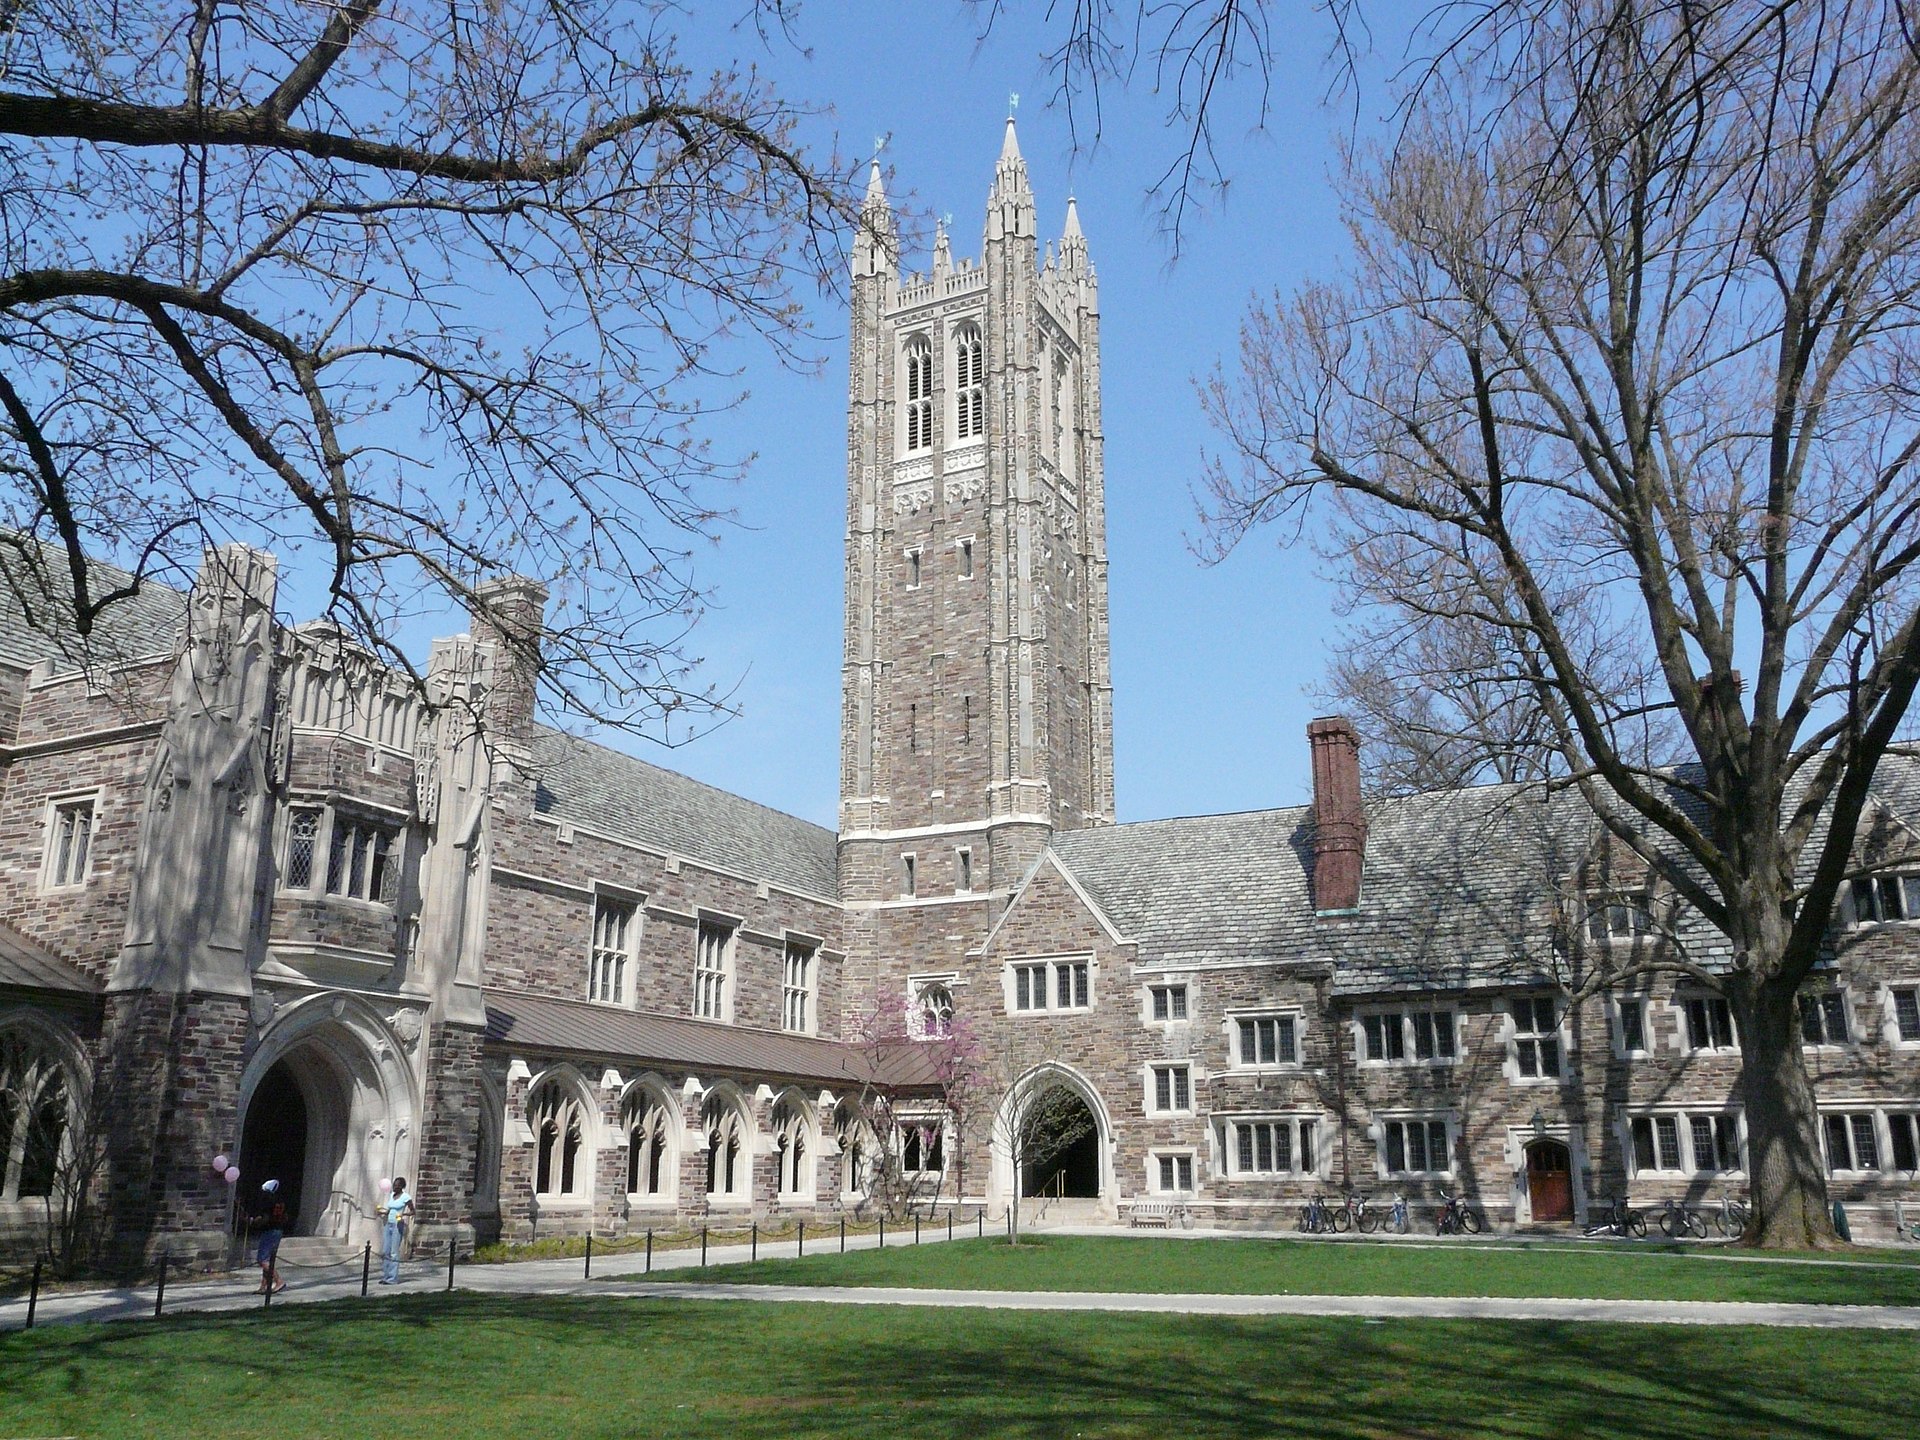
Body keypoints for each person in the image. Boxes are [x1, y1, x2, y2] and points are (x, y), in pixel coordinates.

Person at [254, 1180, 289, 1294]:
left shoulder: (269, 1202)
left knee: (262, 1260)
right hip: (278, 1230)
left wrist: (254, 1221)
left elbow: (265, 1218)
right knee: (268, 1260)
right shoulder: (281, 1201)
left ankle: (279, 1281)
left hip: (270, 1231)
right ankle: (263, 1286)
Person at [380, 1177, 415, 1284]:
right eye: (394, 1184)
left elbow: (413, 1211)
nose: (395, 1187)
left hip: (397, 1225)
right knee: (385, 1251)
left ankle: (392, 1278)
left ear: (402, 1187)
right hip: (388, 1224)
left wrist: (403, 1214)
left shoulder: (406, 1197)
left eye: (397, 1185)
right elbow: (390, 1209)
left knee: (394, 1252)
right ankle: (386, 1276)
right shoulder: (392, 1195)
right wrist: (382, 1212)